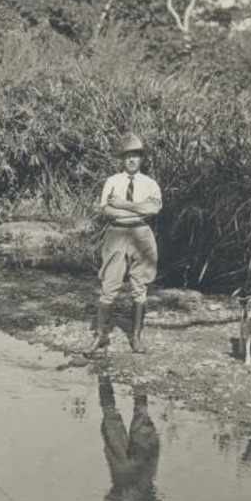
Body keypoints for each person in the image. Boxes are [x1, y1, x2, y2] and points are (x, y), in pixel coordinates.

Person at [87, 132, 162, 356]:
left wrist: (124, 204)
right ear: (122, 159)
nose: (132, 160)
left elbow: (154, 209)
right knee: (109, 285)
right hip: (117, 232)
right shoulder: (113, 181)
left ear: (141, 159)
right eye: (128, 156)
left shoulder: (150, 183)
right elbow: (107, 209)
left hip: (141, 232)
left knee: (140, 286)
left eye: (136, 156)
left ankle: (136, 338)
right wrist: (134, 206)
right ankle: (100, 336)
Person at [98, 377, 165, 501]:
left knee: (113, 418)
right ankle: (134, 378)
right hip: (138, 471)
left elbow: (110, 499)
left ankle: (106, 378)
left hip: (124, 472)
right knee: (135, 417)